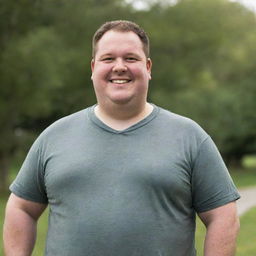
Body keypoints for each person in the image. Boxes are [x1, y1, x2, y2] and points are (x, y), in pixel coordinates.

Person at [3, 20, 240, 256]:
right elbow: (21, 208)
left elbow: (222, 215)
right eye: (108, 59)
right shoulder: (54, 136)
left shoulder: (190, 137)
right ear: (93, 67)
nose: (119, 67)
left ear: (148, 67)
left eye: (130, 58)